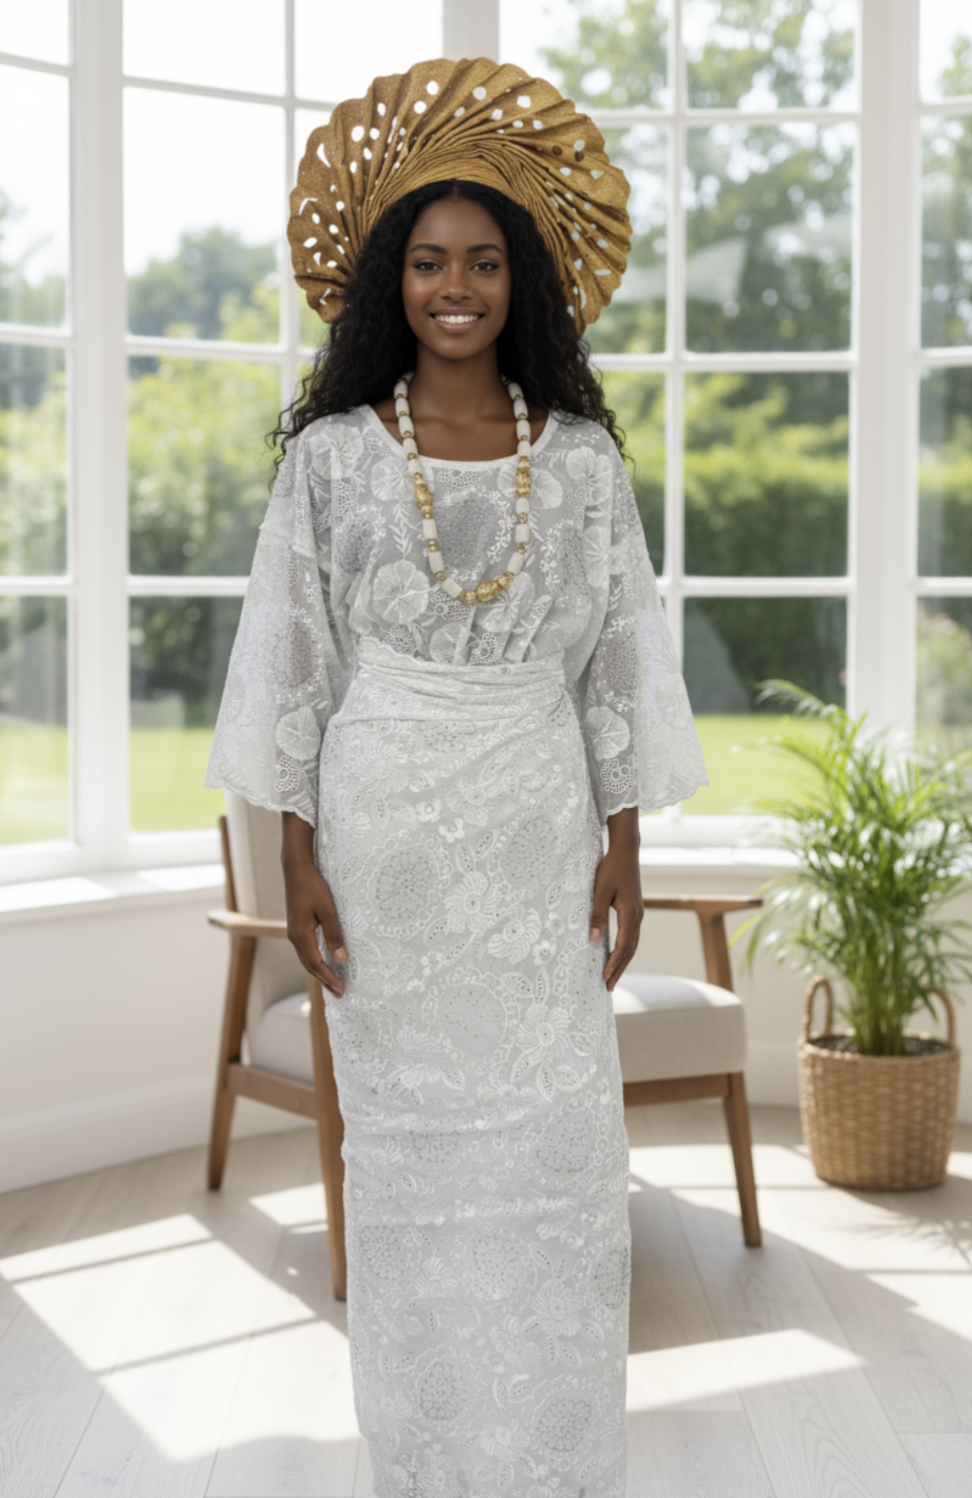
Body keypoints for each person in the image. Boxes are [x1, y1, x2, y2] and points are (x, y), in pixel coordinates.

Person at [207, 56, 707, 1498]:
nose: (456, 285)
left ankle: (553, 1464)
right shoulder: (330, 463)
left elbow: (615, 662)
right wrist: (294, 854)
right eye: (428, 261)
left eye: (485, 261)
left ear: (525, 282)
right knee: (416, 1169)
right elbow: (294, 665)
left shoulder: (588, 465)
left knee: (555, 1160)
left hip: (538, 830)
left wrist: (627, 844)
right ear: (387, 281)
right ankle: (424, 1463)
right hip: (386, 848)